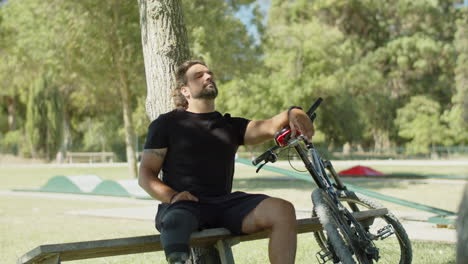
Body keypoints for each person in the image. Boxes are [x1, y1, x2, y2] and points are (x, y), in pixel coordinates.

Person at [139, 60, 315, 264]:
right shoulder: (166, 124)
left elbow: (269, 125)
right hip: (185, 205)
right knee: (175, 221)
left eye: (209, 73)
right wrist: (173, 197)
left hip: (226, 206)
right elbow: (146, 174)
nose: (208, 77)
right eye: (199, 76)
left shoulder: (230, 126)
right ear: (185, 91)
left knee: (283, 210)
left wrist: (294, 111)